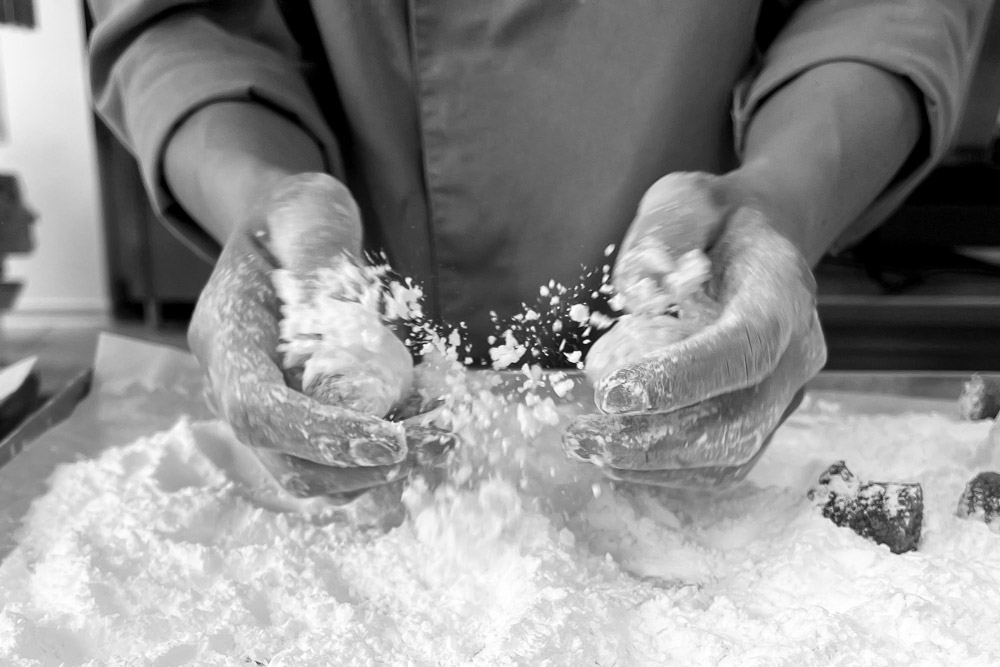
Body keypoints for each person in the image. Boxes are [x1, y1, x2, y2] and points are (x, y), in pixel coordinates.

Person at [88, 1, 989, 496]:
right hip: (356, 271)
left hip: (686, 271)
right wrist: (258, 191)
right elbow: (186, 19)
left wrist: (781, 194)